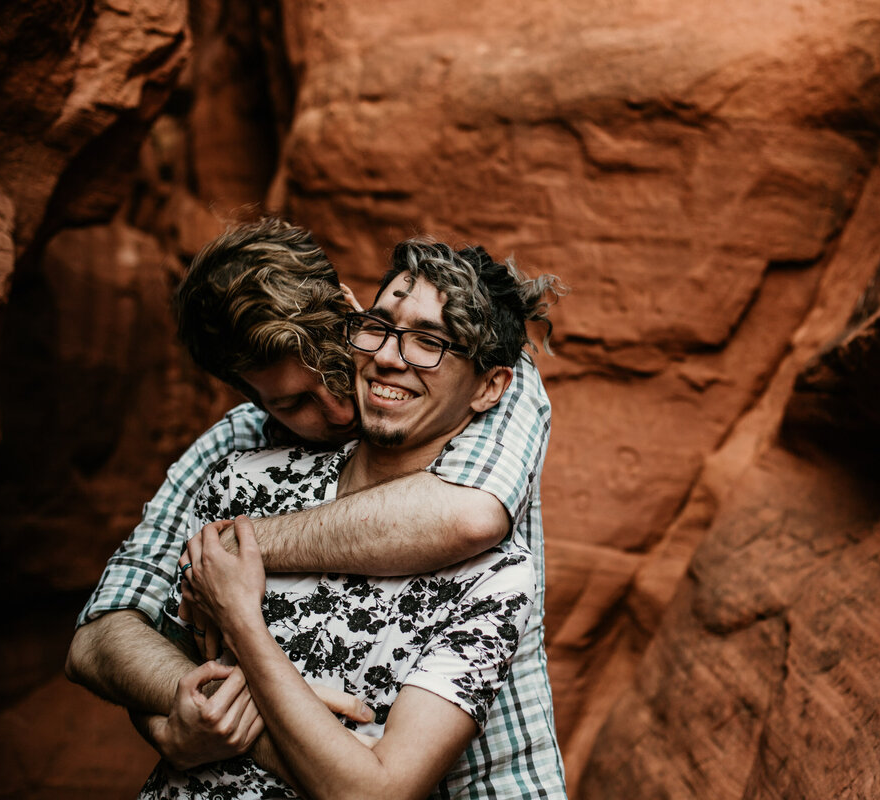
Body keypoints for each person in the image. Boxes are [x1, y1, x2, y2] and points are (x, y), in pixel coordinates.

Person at [65, 220, 567, 797]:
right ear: (251, 397)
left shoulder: (494, 381)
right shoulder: (241, 457)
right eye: (294, 402)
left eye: (331, 369)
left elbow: (467, 517)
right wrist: (185, 717)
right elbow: (105, 633)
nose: (334, 409)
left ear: (347, 308)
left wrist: (236, 553)